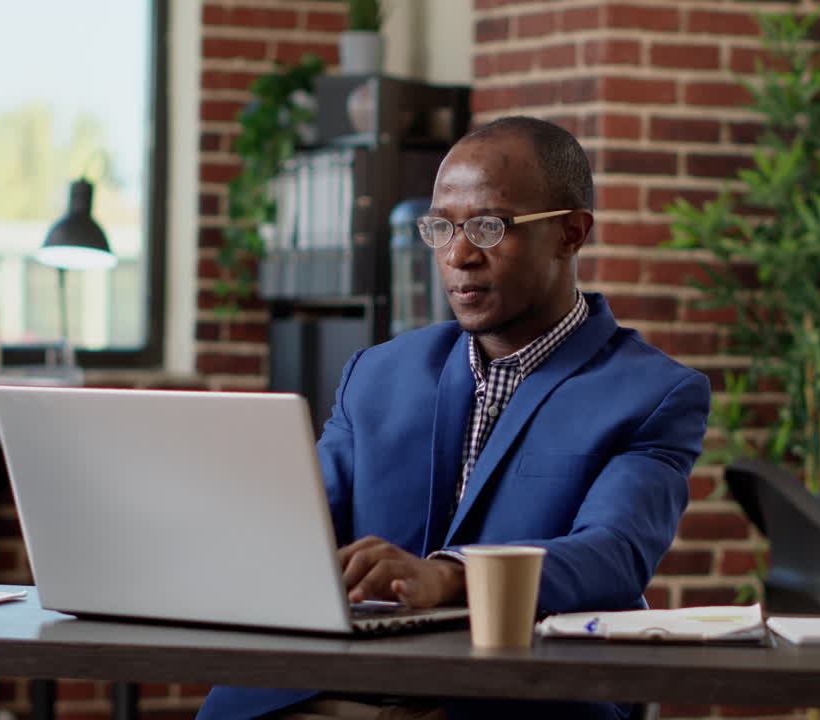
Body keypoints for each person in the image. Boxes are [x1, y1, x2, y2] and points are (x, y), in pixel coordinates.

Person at [199, 116, 711, 720]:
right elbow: (299, 524)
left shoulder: (652, 392)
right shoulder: (378, 375)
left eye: (490, 227)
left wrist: (448, 576)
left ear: (571, 234)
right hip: (326, 683)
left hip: (512, 698)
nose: (459, 254)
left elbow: (612, 553)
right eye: (441, 227)